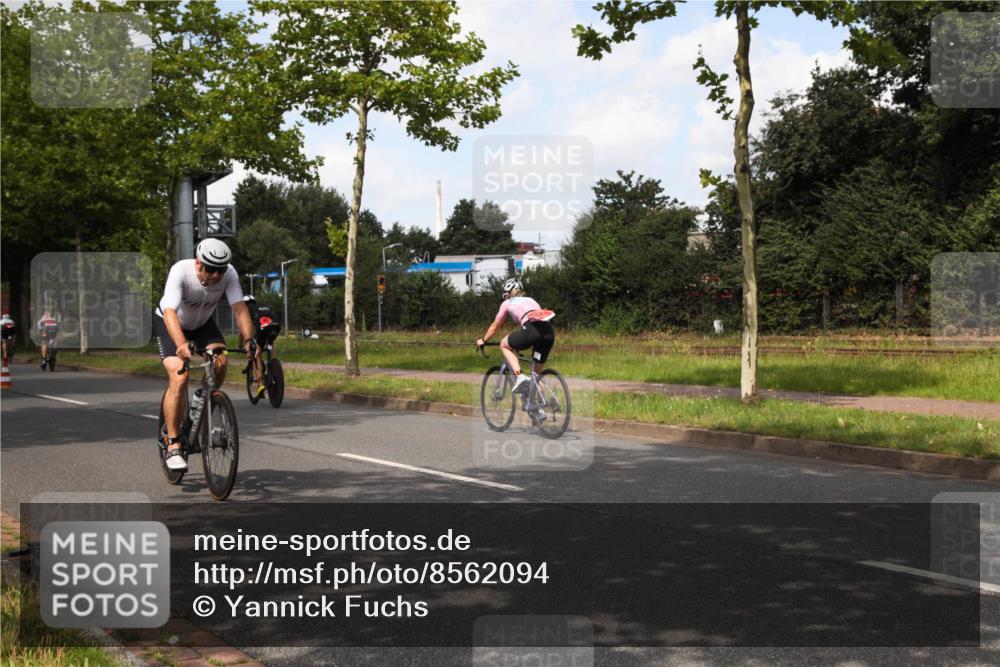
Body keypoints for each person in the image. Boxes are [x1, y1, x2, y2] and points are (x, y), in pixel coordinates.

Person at [153, 239, 255, 471]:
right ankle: (173, 442)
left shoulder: (229, 274)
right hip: (171, 324)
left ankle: (203, 408)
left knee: (220, 360)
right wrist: (180, 344)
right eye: (212, 269)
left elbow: (239, 308)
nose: (217, 275)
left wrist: (249, 339)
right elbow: (169, 311)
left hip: (202, 325)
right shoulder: (180, 271)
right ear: (199, 264)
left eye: (221, 269)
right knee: (179, 377)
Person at [476, 278, 555, 395]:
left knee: (504, 344)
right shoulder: (531, 299)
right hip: (548, 333)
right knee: (536, 376)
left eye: (504, 295)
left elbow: (495, 325)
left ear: (507, 293)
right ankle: (539, 406)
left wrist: (484, 340)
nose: (504, 298)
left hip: (531, 330)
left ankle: (519, 376)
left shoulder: (507, 303)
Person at [239, 294, 281, 397]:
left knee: (257, 354)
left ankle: (260, 384)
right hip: (276, 326)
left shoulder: (246, 310)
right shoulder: (264, 306)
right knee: (271, 343)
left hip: (263, 328)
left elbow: (242, 331)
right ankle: (273, 365)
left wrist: (240, 344)